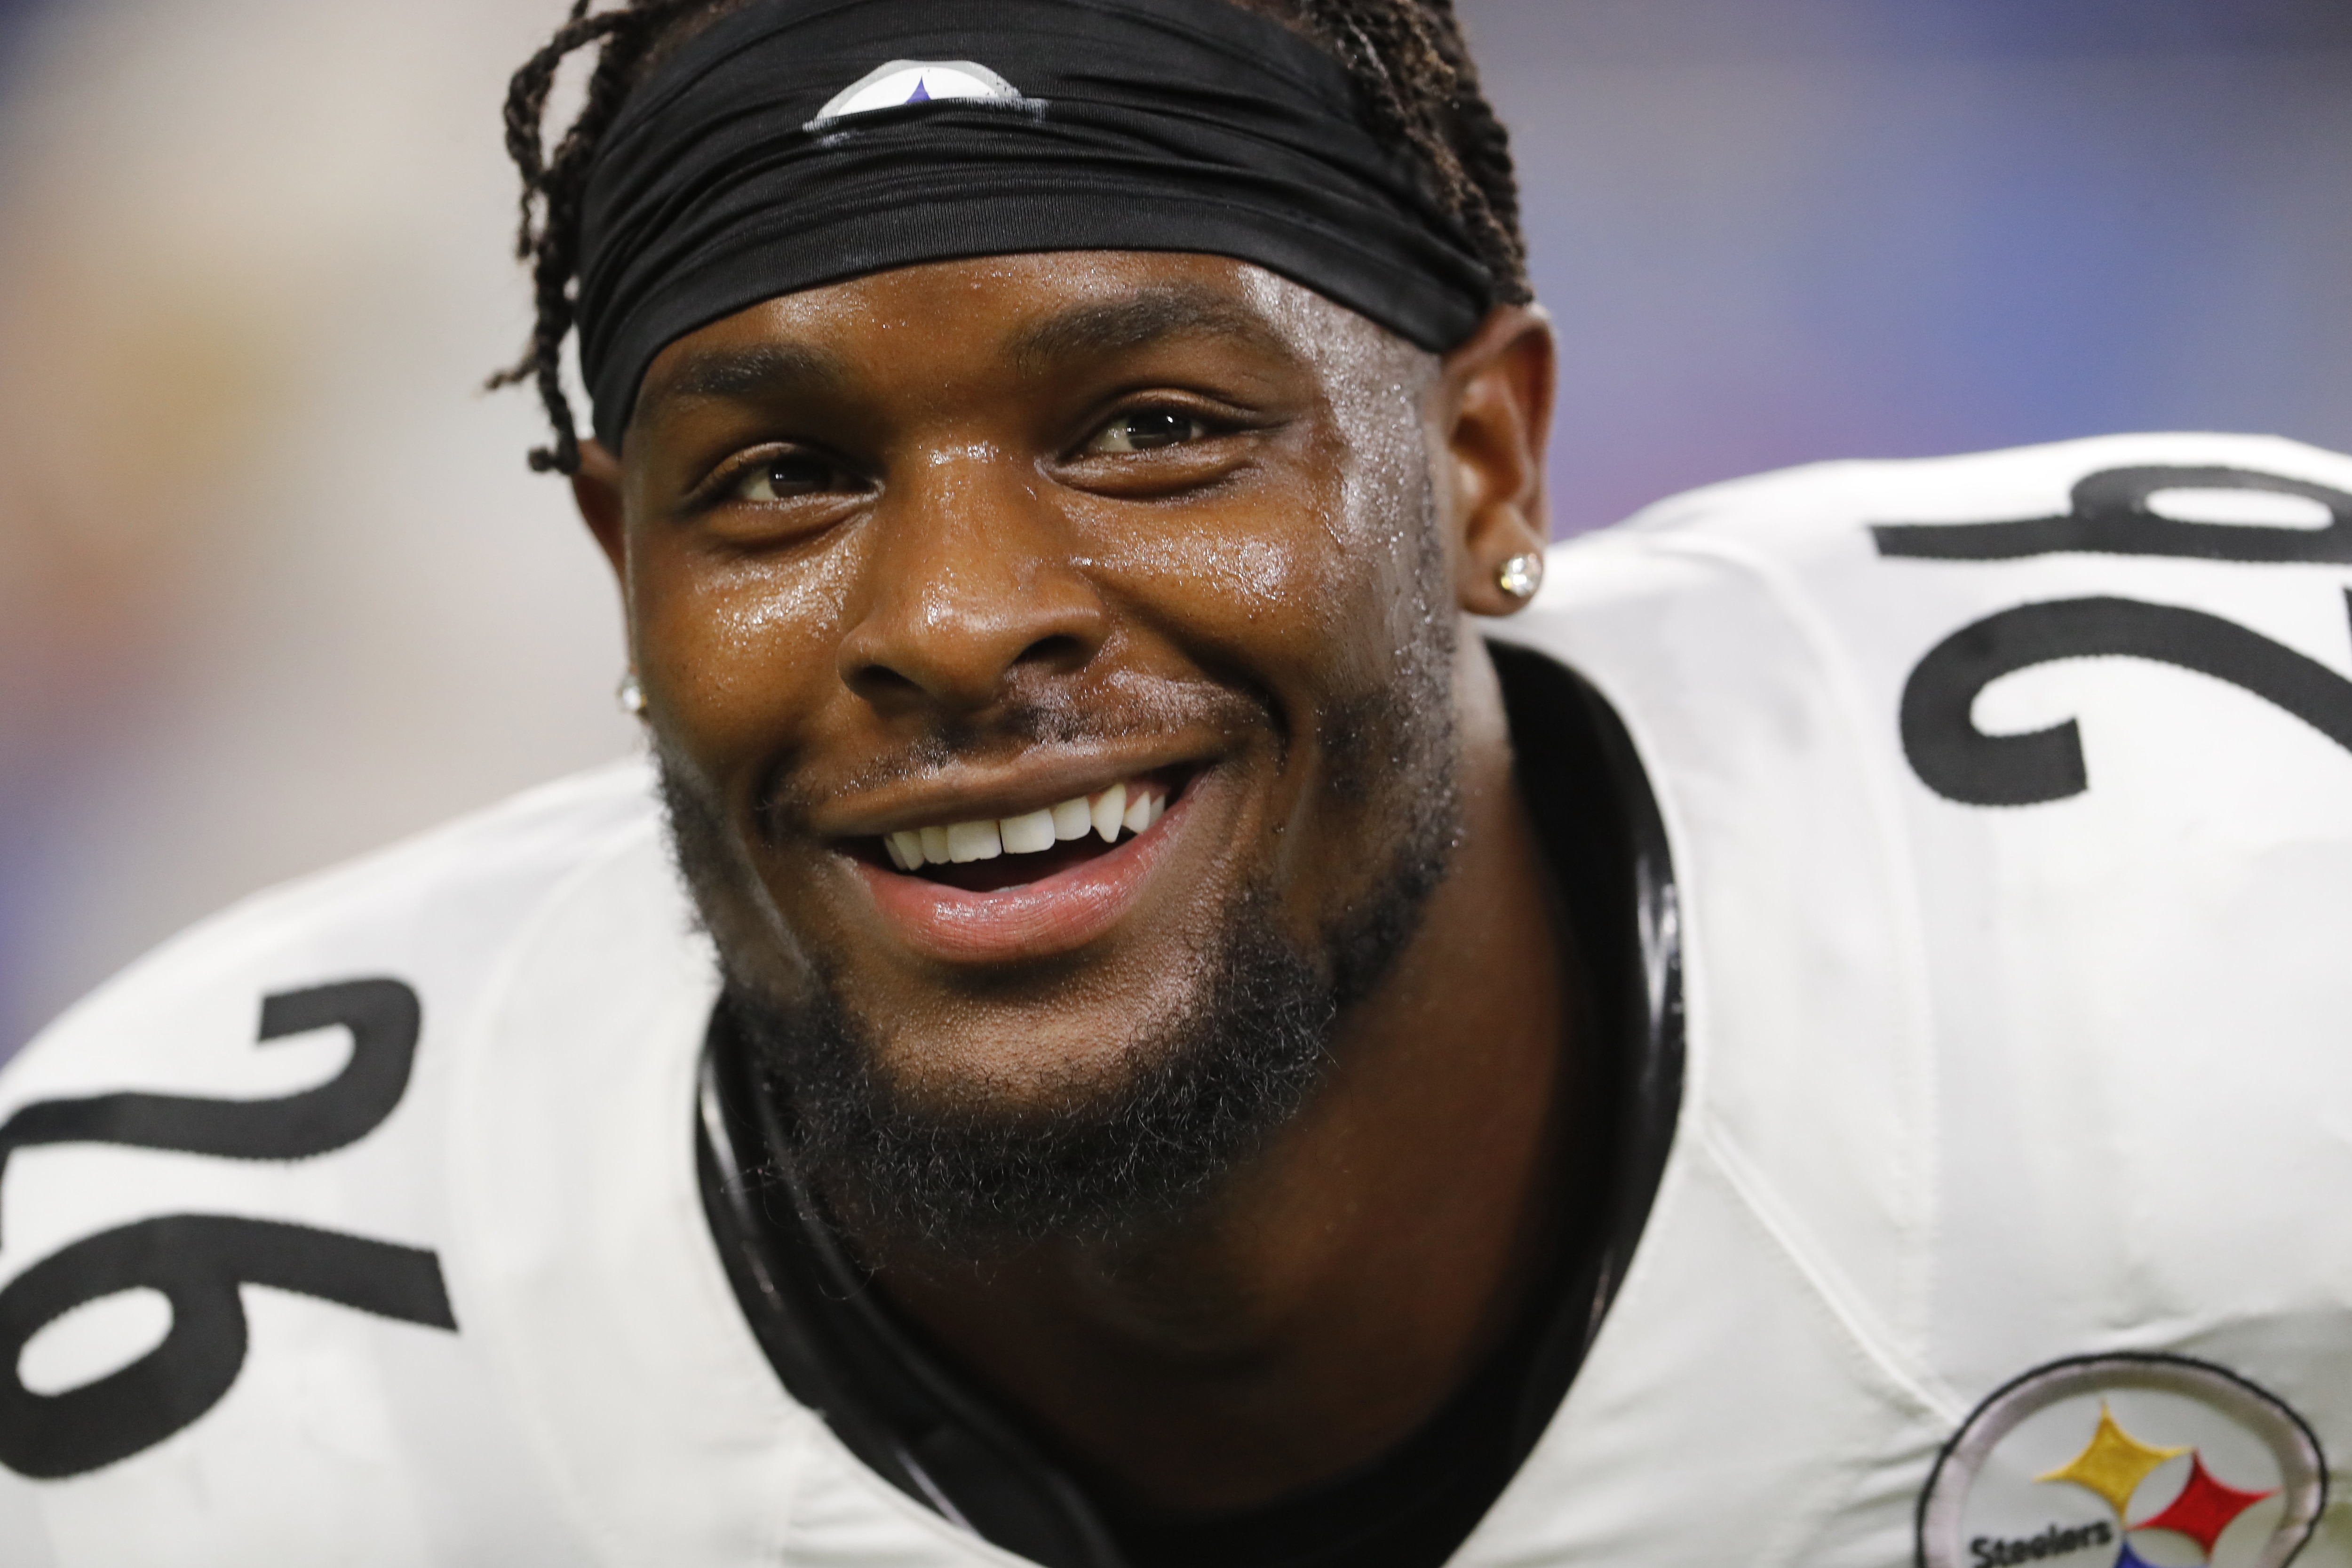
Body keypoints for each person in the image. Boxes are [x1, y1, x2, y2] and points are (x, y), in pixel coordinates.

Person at [2, 1, 2349, 1563]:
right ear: (621, 562)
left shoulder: (2251, 889)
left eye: (1152, 431)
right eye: (782, 481)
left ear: (1481, 458)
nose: (949, 614)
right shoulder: (203, 1398)